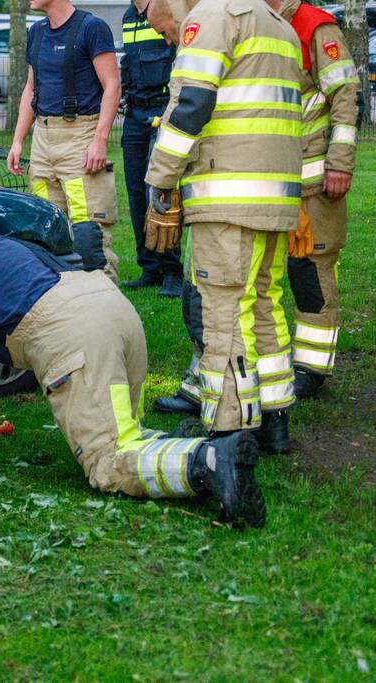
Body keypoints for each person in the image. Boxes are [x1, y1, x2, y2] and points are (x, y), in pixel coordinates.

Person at [0, 212, 266, 529]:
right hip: (112, 308)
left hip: (73, 332)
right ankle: (180, 447)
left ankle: (208, 460)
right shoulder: (11, 258)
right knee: (126, 434)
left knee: (107, 462)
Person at [142, 0, 301, 453]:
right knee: (265, 304)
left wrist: (161, 178)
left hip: (228, 197)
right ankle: (274, 419)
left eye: (167, 31)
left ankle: (229, 429)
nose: (171, 38)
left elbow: (191, 105)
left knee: (224, 313)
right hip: (275, 197)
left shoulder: (212, 17)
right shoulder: (279, 26)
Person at [7, 0, 122, 284]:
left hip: (80, 135)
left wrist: (99, 140)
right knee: (46, 230)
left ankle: (103, 302)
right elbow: (31, 88)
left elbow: (112, 85)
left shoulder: (91, 28)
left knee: (88, 234)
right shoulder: (37, 32)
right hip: (43, 140)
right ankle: (61, 299)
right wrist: (18, 140)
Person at [279, 0, 361, 398]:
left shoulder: (314, 26)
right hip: (275, 179)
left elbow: (345, 97)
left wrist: (340, 163)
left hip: (315, 181)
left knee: (311, 271)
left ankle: (312, 366)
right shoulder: (260, 22)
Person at [119, 0, 183, 297]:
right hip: (134, 114)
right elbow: (129, 62)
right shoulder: (128, 16)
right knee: (135, 192)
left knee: (160, 189)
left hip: (161, 109)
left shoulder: (166, 10)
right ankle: (149, 267)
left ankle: (172, 270)